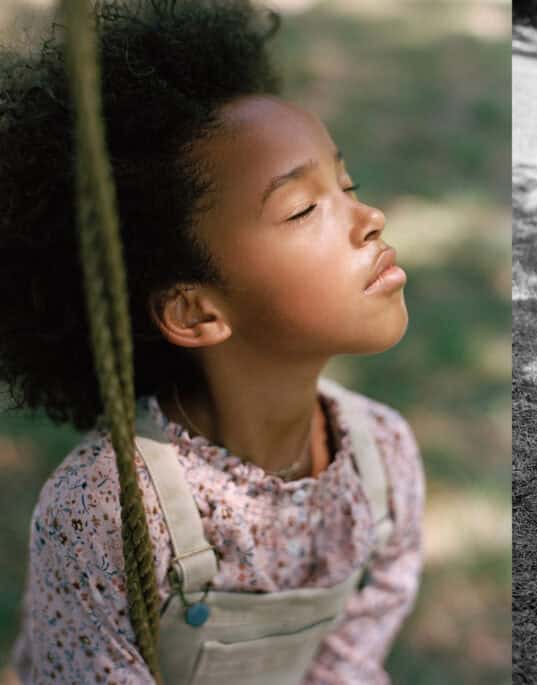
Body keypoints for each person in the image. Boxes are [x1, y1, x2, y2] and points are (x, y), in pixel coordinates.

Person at [0, 2, 424, 683]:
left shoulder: (384, 459)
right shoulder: (106, 511)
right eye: (303, 207)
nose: (370, 218)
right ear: (197, 312)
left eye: (346, 185)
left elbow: (352, 651)